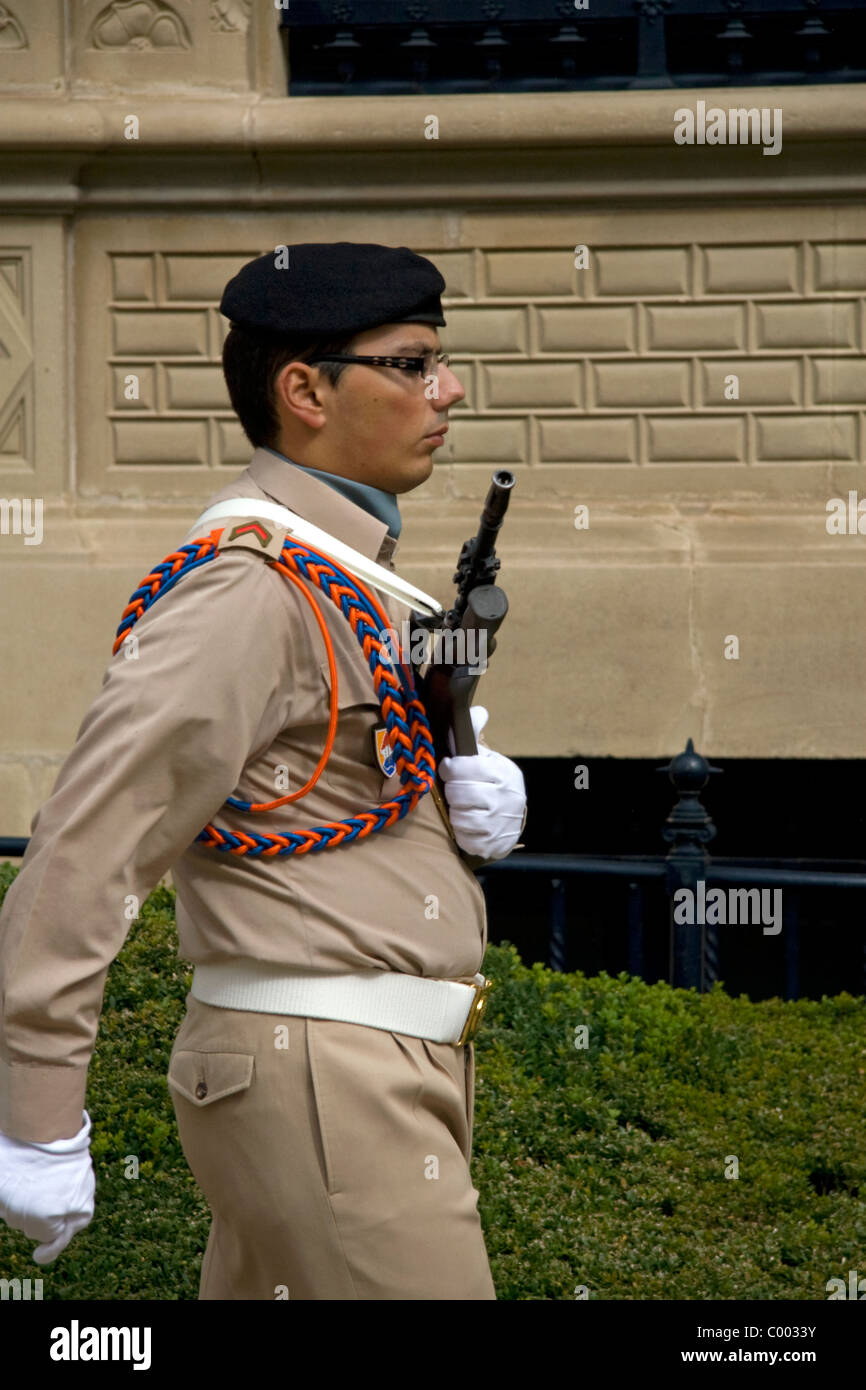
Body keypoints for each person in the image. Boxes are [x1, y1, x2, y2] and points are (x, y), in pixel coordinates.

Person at [0, 242, 527, 1300]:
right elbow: (89, 841)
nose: (448, 387)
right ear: (304, 390)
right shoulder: (251, 586)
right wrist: (36, 1114)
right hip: (326, 1068)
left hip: (357, 1064)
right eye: (414, 363)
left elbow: (318, 776)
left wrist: (463, 784)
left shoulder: (345, 577)